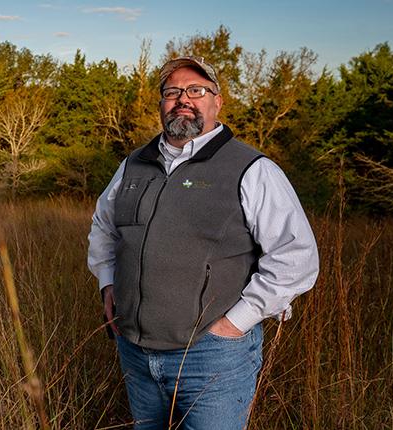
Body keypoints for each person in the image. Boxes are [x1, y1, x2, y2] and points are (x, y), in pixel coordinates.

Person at [87, 56, 319, 429]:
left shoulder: (252, 168)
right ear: (161, 103)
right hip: (134, 351)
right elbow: (104, 226)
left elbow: (296, 256)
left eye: (196, 90)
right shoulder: (133, 165)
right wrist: (108, 282)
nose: (183, 99)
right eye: (172, 92)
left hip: (212, 357)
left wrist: (234, 324)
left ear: (217, 101)